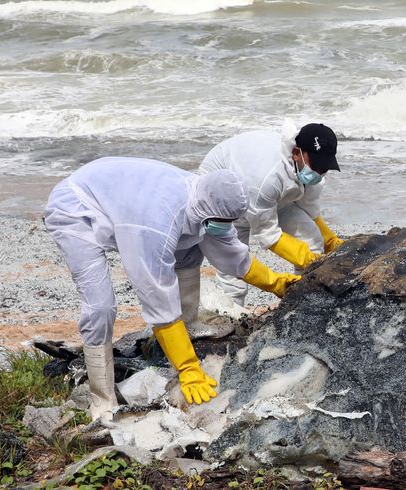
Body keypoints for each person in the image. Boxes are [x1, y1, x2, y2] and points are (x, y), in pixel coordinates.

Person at [43, 157, 301, 420]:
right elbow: (156, 296)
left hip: (122, 194)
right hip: (78, 206)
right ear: (206, 210)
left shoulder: (208, 202)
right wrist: (188, 368)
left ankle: (183, 336)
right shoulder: (156, 224)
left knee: (189, 251)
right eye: (220, 221)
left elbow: (233, 254)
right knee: (101, 306)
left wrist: (277, 283)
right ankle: (102, 398)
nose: (225, 227)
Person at [199, 121, 344, 305]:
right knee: (232, 259)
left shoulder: (311, 171)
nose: (319, 171)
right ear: (296, 152)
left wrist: (330, 241)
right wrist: (306, 258)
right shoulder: (268, 178)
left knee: (312, 239)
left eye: (324, 167)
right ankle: (233, 312)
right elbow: (268, 234)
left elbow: (309, 207)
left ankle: (304, 300)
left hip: (266, 196)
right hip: (222, 189)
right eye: (315, 165)